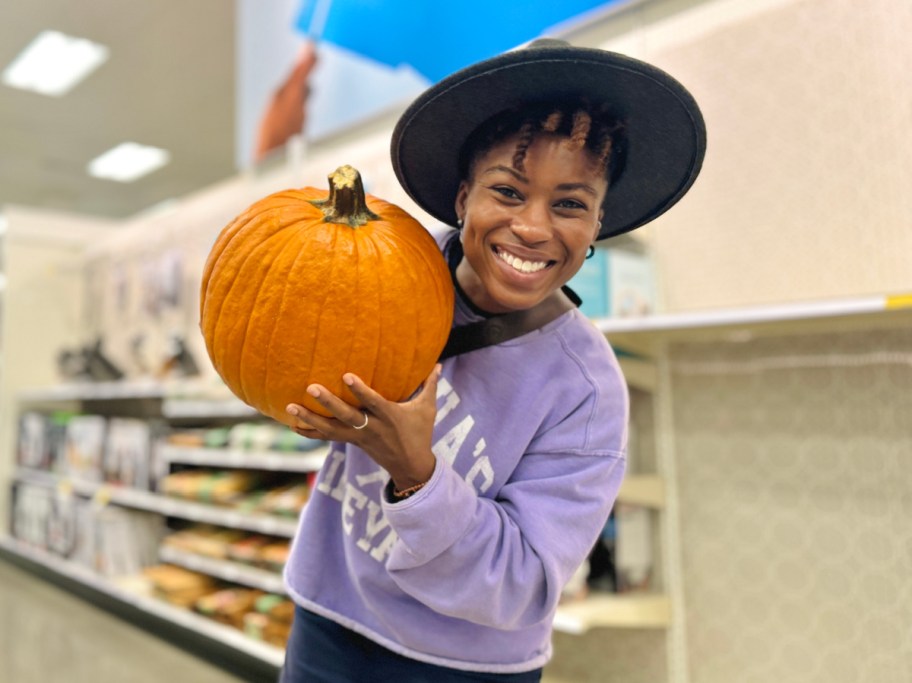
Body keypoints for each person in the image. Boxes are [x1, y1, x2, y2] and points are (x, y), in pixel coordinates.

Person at [280, 38, 706, 681]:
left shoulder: (586, 391)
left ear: (596, 225)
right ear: (462, 198)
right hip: (330, 623)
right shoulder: (384, 276)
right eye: (507, 191)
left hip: (467, 664)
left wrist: (415, 472)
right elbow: (284, 357)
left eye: (569, 204)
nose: (534, 227)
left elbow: (526, 584)